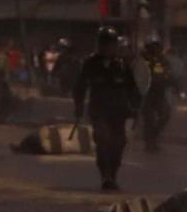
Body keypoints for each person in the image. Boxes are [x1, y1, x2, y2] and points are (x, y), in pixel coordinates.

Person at [73, 26, 140, 190]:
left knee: (118, 143)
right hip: (99, 110)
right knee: (103, 141)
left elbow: (134, 88)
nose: (108, 47)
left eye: (111, 43)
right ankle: (106, 175)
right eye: (104, 43)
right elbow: (80, 86)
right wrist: (79, 107)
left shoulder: (123, 65)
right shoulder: (91, 63)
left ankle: (113, 174)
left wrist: (135, 108)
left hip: (119, 111)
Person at [138, 38, 174, 152]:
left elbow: (167, 72)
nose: (156, 50)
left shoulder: (162, 59)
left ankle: (153, 136)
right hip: (147, 93)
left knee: (165, 114)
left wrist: (167, 78)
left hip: (159, 92)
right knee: (148, 119)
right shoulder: (143, 59)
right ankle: (150, 143)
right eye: (154, 48)